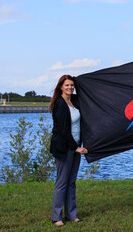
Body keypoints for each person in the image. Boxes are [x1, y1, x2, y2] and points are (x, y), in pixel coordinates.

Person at [49, 75, 88, 226]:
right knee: (62, 182)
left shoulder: (75, 101)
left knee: (71, 182)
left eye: (72, 85)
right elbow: (64, 131)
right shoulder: (60, 104)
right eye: (67, 85)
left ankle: (72, 214)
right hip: (65, 148)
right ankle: (57, 217)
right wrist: (75, 147)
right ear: (60, 87)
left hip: (76, 147)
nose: (70, 88)